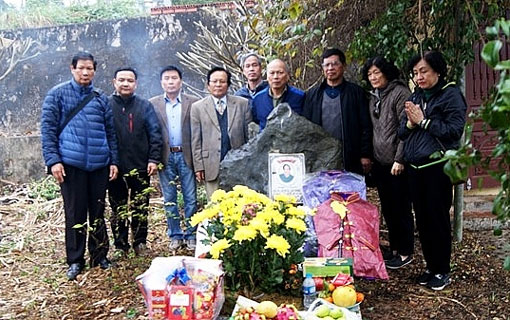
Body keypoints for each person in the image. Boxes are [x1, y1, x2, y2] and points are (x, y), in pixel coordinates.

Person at [41, 51, 119, 280]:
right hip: (70, 164)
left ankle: (100, 255)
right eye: (81, 68)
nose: (85, 72)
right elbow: (47, 131)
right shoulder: (57, 95)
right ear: (72, 68)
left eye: (90, 68)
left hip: (98, 164)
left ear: (95, 70)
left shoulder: (100, 97)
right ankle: (75, 260)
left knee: (97, 212)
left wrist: (113, 161)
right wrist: (53, 160)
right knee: (74, 213)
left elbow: (110, 133)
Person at [398, 51, 466, 291]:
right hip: (416, 168)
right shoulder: (416, 96)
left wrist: (424, 121)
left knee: (437, 220)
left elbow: (454, 131)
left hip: (438, 168)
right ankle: (430, 266)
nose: (419, 77)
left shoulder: (451, 95)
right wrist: (410, 122)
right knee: (423, 220)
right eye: (415, 73)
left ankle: (442, 270)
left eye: (424, 71)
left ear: (438, 70)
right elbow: (402, 133)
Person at [362, 56, 414, 269]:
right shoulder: (374, 96)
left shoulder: (400, 93)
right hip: (381, 163)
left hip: (397, 163)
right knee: (389, 208)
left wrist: (399, 159)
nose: (373, 77)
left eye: (377, 72)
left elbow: (407, 128)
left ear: (386, 72)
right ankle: (394, 248)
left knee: (401, 208)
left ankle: (405, 252)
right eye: (370, 74)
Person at [108, 67, 162, 257]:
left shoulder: (144, 106)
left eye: (130, 80)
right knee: (118, 207)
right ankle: (121, 245)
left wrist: (154, 158)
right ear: (114, 82)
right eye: (121, 80)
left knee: (141, 206)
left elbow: (155, 133)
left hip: (140, 166)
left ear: (135, 84)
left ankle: (140, 242)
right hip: (115, 167)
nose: (125, 84)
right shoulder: (106, 105)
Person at [150, 65, 199, 251]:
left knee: (190, 198)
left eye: (174, 78)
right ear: (161, 82)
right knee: (169, 198)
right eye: (166, 78)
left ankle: (192, 234)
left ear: (181, 81)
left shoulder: (193, 102)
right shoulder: (153, 104)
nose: (170, 82)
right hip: (166, 155)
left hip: (186, 155)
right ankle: (175, 235)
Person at [303, 48, 372, 175]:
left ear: (344, 66)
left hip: (350, 156)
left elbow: (366, 126)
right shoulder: (312, 95)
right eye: (327, 65)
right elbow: (306, 127)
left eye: (335, 64)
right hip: (320, 157)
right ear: (322, 68)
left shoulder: (356, 93)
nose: (330, 68)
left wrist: (365, 154)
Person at [190, 66, 252, 199]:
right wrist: (199, 166)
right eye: (214, 81)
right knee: (215, 207)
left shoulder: (242, 104)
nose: (218, 85)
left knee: (239, 205)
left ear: (228, 85)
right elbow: (195, 140)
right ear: (208, 85)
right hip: (211, 164)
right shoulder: (197, 108)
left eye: (222, 82)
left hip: (238, 164)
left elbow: (249, 137)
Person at [252, 59, 304, 130]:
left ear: (287, 76)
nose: (276, 77)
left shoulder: (300, 97)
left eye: (280, 73)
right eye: (272, 73)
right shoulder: (258, 99)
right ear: (267, 76)